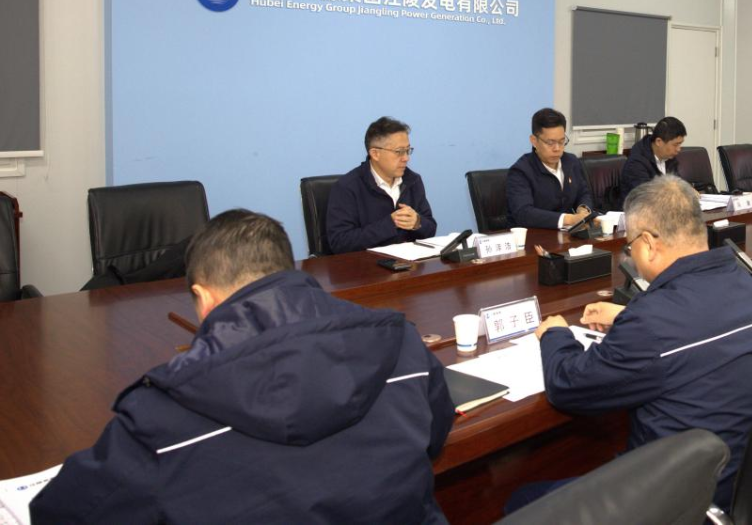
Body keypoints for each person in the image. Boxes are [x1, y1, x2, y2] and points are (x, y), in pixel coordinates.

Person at [31, 210, 454, 525]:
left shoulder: (163, 413)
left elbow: (64, 513)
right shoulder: (402, 343)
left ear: (204, 297)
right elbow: (434, 435)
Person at [531, 176, 752, 510]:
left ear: (647, 243)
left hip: (671, 501)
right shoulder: (745, 285)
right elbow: (694, 322)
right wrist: (628, 316)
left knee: (519, 500)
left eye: (629, 246)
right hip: (740, 482)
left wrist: (556, 334)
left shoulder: (652, 321)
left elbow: (568, 385)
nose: (631, 254)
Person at [326, 116, 437, 254]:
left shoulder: (412, 180)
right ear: (375, 154)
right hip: (367, 265)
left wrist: (417, 223)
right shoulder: (347, 187)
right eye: (399, 152)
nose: (406, 158)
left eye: (408, 150)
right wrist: (389, 224)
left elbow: (431, 228)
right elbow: (340, 242)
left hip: (409, 263)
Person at [507, 107, 594, 229]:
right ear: (534, 141)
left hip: (568, 235)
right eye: (550, 143)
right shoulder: (521, 172)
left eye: (561, 141)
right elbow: (524, 213)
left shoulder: (571, 162)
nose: (557, 148)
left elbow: (583, 193)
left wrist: (583, 210)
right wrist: (569, 219)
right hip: (535, 236)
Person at [617, 116, 687, 207]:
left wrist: (688, 190)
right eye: (675, 145)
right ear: (659, 142)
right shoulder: (636, 163)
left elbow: (678, 184)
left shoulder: (669, 157)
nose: (678, 149)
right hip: (638, 211)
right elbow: (648, 197)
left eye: (680, 144)